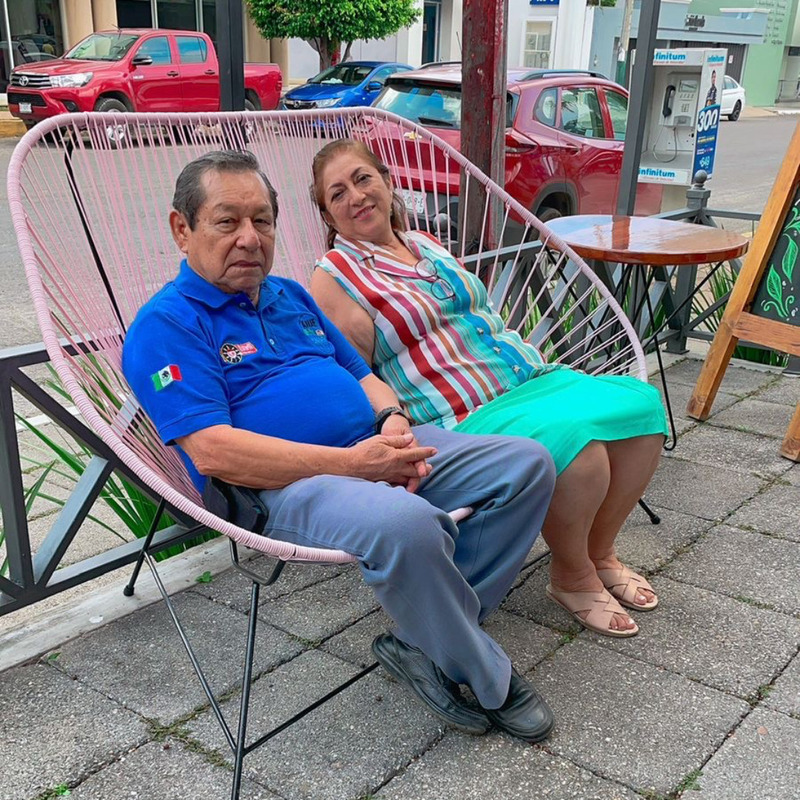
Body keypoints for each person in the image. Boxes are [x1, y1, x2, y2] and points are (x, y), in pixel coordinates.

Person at [122, 150, 558, 742]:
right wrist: (356, 465)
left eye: (262, 220)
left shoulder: (289, 296)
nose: (249, 238)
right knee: (407, 526)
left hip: (372, 449)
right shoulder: (167, 325)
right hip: (285, 487)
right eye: (227, 221)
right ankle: (490, 679)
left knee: (526, 466)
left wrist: (393, 421)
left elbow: (363, 374)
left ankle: (423, 641)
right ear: (183, 229)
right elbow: (213, 452)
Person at [310, 139, 670, 639]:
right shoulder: (335, 278)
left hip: (526, 377)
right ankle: (572, 575)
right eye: (337, 193)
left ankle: (599, 552)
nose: (356, 196)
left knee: (642, 411)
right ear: (328, 214)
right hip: (463, 412)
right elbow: (357, 374)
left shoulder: (424, 244)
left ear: (388, 182)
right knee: (579, 448)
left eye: (363, 178)